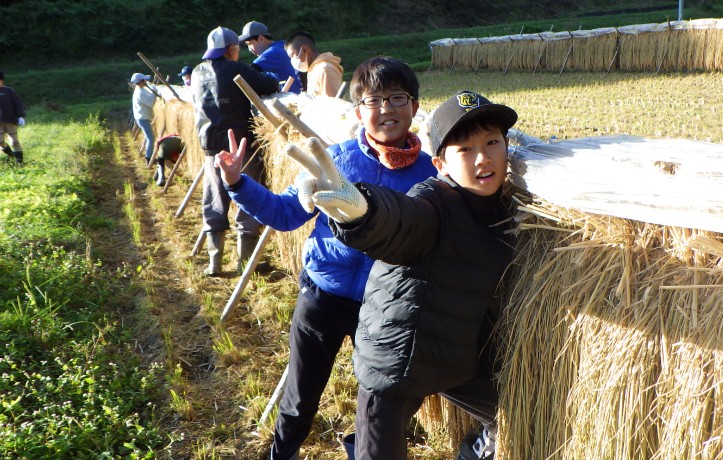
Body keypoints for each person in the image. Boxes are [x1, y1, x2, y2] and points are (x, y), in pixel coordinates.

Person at [213, 56, 437, 460]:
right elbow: (286, 212)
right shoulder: (337, 158)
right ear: (357, 112)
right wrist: (237, 183)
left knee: (379, 404)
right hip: (322, 298)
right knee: (301, 397)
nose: (385, 109)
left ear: (415, 107)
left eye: (397, 98)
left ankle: (358, 450)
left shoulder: (430, 174)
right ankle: (282, 453)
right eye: (373, 101)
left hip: (382, 307)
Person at [289, 90, 519, 460]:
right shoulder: (434, 203)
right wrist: (359, 209)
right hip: (394, 363)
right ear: (440, 165)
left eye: (492, 142)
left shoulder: (505, 209)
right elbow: (398, 220)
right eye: (465, 150)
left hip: (452, 358)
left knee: (514, 415)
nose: (483, 158)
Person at [191, 26, 280, 276]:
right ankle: (246, 262)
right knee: (247, 197)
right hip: (239, 146)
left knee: (214, 200)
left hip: (210, 147)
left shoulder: (197, 73)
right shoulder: (236, 69)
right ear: (231, 49)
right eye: (237, 48)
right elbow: (267, 84)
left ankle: (215, 263)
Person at [239, 21, 301, 94]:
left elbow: (247, 72)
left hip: (292, 100)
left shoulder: (272, 52)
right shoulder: (282, 45)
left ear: (261, 39)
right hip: (301, 94)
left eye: (250, 44)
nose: (249, 49)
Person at [284, 31, 343, 98]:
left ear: (304, 50)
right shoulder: (314, 69)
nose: (292, 60)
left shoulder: (324, 69)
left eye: (292, 55)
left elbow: (332, 104)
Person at [130, 72, 161, 164]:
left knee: (149, 138)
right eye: (144, 80)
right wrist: (155, 93)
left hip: (142, 117)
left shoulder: (140, 89)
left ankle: (149, 156)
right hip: (142, 118)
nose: (146, 82)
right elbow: (150, 103)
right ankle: (148, 158)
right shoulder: (139, 92)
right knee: (150, 138)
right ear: (140, 82)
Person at [0, 70, 25, 165]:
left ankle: (20, 162)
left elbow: (17, 104)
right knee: (0, 141)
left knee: (14, 141)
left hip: (10, 120)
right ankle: (11, 155)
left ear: (1, 80)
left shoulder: (9, 91)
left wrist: (21, 116)